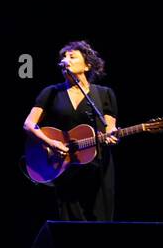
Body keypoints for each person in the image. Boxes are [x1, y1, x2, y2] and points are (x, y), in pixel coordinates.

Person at [22, 40, 119, 221]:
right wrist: (51, 143)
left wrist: (112, 135)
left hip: (98, 167)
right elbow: (29, 124)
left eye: (72, 57)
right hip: (66, 166)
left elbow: (110, 127)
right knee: (72, 223)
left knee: (101, 221)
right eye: (64, 57)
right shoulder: (51, 92)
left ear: (88, 65)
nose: (66, 60)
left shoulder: (104, 94)